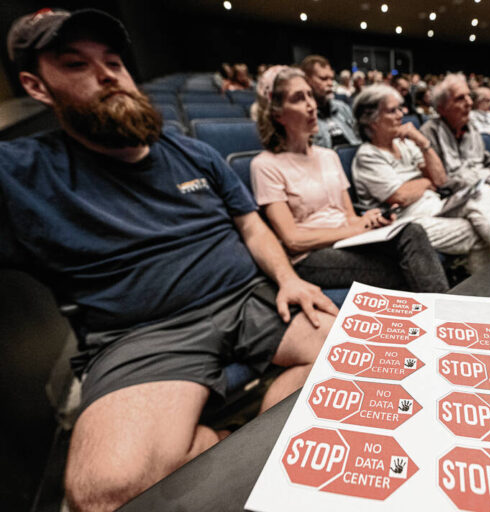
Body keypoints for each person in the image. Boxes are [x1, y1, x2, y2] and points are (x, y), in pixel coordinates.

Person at [2, 9, 337, 510]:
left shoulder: (192, 152)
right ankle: (215, 443)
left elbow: (250, 224)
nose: (106, 74)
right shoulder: (23, 173)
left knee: (364, 360)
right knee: (102, 495)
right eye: (75, 64)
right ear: (38, 86)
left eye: (114, 61)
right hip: (144, 334)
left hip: (252, 299)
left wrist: (287, 277)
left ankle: (235, 447)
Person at [251, 67, 449, 292]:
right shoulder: (265, 165)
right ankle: (444, 320)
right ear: (277, 114)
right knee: (407, 268)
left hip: (348, 241)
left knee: (412, 231)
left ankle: (443, 319)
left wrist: (370, 220)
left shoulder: (328, 156)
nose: (311, 105)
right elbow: (293, 240)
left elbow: (348, 216)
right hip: (311, 257)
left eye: (310, 95)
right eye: (298, 98)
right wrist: (358, 229)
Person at [352, 84, 490, 273]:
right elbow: (400, 196)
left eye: (400, 108)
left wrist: (422, 142)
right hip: (406, 224)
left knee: (483, 192)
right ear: (373, 120)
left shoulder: (405, 144)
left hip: (436, 207)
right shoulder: (368, 155)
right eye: (392, 110)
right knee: (481, 230)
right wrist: (426, 182)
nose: (401, 114)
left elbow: (439, 178)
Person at [420, 73, 490, 214]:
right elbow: (442, 179)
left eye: (469, 97)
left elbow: (487, 161)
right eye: (460, 98)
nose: (470, 103)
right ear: (441, 108)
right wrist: (485, 191)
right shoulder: (429, 133)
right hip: (465, 193)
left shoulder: (471, 127)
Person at [300, 55, 360, 148]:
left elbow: (359, 137)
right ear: (307, 81)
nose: (330, 83)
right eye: (323, 79)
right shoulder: (304, 114)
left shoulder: (342, 107)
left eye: (331, 79)